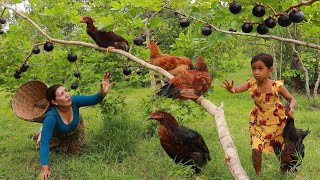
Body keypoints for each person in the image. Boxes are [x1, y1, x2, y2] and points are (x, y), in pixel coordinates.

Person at [221, 53, 296, 175]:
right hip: (259, 122)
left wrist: (291, 107)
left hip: (277, 122)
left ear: (270, 70)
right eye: (253, 68)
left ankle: (284, 173)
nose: (256, 72)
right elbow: (236, 90)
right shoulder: (251, 84)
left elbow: (292, 99)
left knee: (283, 150)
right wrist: (231, 89)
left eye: (260, 68)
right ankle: (258, 175)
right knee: (256, 148)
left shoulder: (276, 86)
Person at [37, 72, 113, 180]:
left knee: (76, 152)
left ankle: (44, 131)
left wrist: (102, 93)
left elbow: (93, 99)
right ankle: (42, 131)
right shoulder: (51, 117)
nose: (67, 95)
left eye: (66, 91)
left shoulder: (75, 101)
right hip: (58, 135)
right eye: (61, 94)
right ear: (54, 102)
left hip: (74, 129)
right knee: (51, 147)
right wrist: (44, 169)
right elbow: (45, 143)